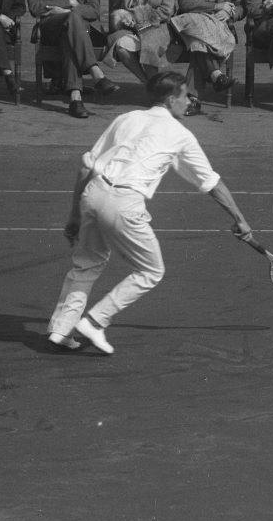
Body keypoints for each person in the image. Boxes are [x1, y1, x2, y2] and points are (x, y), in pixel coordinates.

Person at [47, 71, 252, 355]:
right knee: (150, 270)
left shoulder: (126, 118)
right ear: (170, 100)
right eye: (185, 96)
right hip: (124, 202)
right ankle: (95, 321)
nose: (190, 101)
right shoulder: (182, 135)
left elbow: (87, 167)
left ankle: (61, 329)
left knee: (86, 263)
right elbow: (211, 183)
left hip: (92, 194)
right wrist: (239, 218)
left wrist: (74, 214)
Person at [26, 0, 118, 118]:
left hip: (76, 31)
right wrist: (68, 2)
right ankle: (96, 73)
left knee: (71, 29)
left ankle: (75, 99)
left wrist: (70, 11)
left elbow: (94, 10)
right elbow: (35, 6)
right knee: (72, 20)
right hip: (51, 26)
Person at [172, 0, 242, 114]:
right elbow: (185, 2)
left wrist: (230, 13)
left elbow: (241, 5)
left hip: (220, 27)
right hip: (194, 25)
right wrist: (217, 6)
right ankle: (216, 75)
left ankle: (192, 99)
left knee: (198, 44)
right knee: (198, 36)